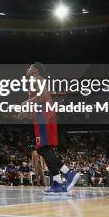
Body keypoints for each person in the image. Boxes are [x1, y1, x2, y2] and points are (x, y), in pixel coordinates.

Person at [27, 63, 80, 193]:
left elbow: (43, 96)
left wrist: (27, 103)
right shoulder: (36, 81)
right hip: (42, 116)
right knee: (43, 150)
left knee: (44, 150)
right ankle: (66, 175)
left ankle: (60, 180)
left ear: (35, 70)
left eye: (30, 67)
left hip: (44, 117)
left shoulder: (37, 79)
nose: (27, 69)